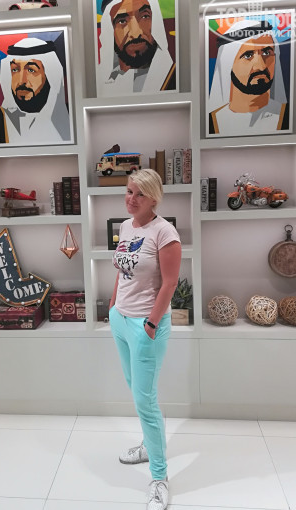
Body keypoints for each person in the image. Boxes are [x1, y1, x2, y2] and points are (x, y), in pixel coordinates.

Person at [109, 169, 182, 510]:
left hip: (145, 325)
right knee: (136, 390)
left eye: (139, 194)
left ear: (154, 198)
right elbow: (122, 270)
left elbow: (170, 283)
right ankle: (149, 446)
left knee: (145, 400)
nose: (131, 199)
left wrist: (151, 323)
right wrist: (113, 305)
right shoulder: (126, 227)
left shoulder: (165, 232)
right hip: (121, 320)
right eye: (128, 191)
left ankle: (159, 478)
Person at [208, 19, 289, 136]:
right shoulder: (211, 123)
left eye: (267, 53)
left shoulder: (287, 116)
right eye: (248, 55)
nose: (261, 66)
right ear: (228, 64)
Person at [98, 0, 176, 97]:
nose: (136, 33)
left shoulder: (173, 77)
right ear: (110, 31)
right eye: (122, 21)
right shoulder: (98, 85)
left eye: (145, 16)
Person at [0, 37, 71, 144]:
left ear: (49, 76)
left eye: (31, 70)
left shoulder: (71, 116)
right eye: (15, 70)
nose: (22, 81)